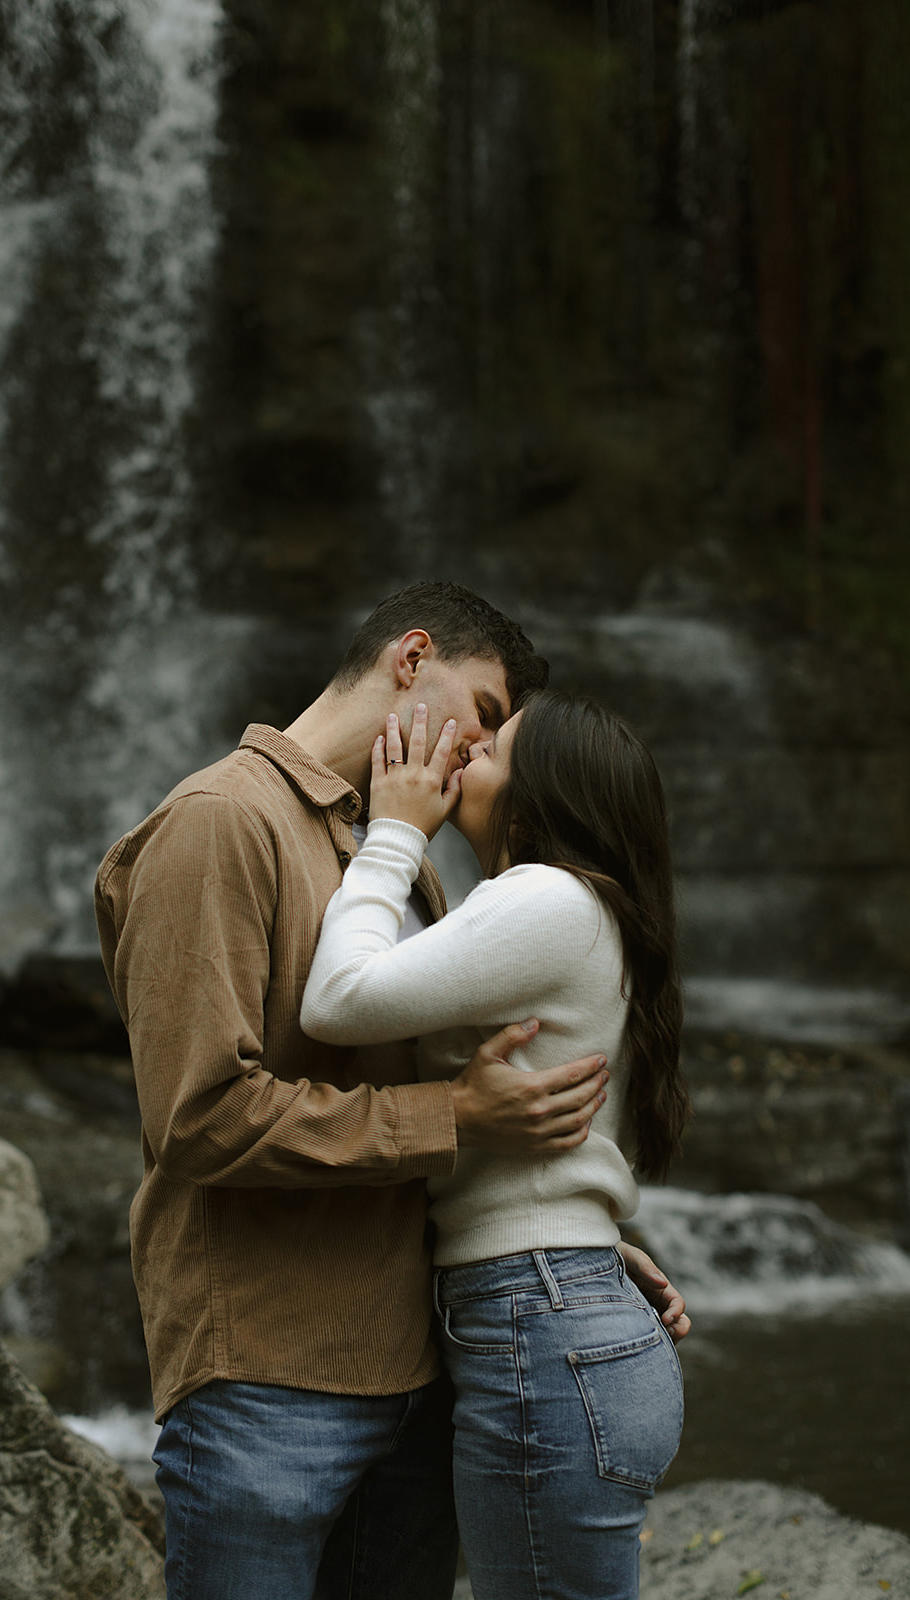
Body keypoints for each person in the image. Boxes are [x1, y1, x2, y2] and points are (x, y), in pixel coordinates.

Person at [94, 583, 688, 1600]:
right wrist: (456, 1116)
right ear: (411, 660)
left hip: (416, 1375)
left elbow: (452, 1100)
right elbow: (197, 1116)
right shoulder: (218, 822)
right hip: (266, 1384)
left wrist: (570, 1246)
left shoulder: (397, 856)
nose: (477, 752)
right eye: (487, 716)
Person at [301, 690, 691, 1600]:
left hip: (540, 1324)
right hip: (554, 1312)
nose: (462, 751)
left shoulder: (546, 899)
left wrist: (394, 832)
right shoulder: (568, 910)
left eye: (492, 747)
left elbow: (337, 1001)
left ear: (539, 792)